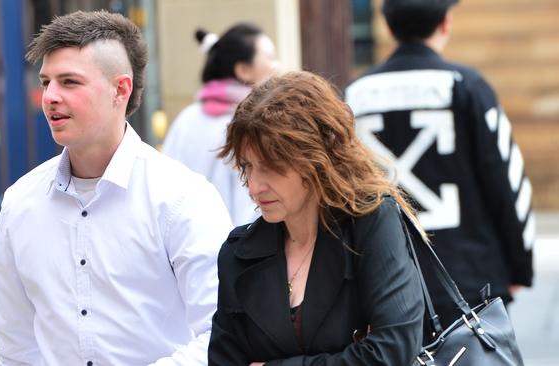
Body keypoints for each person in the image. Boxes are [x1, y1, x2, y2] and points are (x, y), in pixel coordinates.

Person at [0, 11, 232, 365]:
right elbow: (16, 346)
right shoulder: (20, 202)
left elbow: (221, 331)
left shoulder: (183, 197)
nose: (50, 97)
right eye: (46, 82)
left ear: (120, 89)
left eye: (69, 82)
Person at [208, 71, 425, 365]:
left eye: (272, 166)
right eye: (248, 166)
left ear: (317, 159)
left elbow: (393, 351)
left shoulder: (371, 223)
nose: (256, 185)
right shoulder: (238, 253)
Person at [345, 0, 534, 328]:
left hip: (383, 276)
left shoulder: (353, 94)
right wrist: (519, 266)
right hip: (471, 276)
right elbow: (506, 181)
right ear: (445, 23)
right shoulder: (468, 86)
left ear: (389, 28)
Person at [163, 23, 279, 226]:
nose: (276, 66)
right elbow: (249, 210)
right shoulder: (249, 125)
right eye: (270, 57)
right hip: (237, 248)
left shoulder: (186, 118)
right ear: (243, 70)